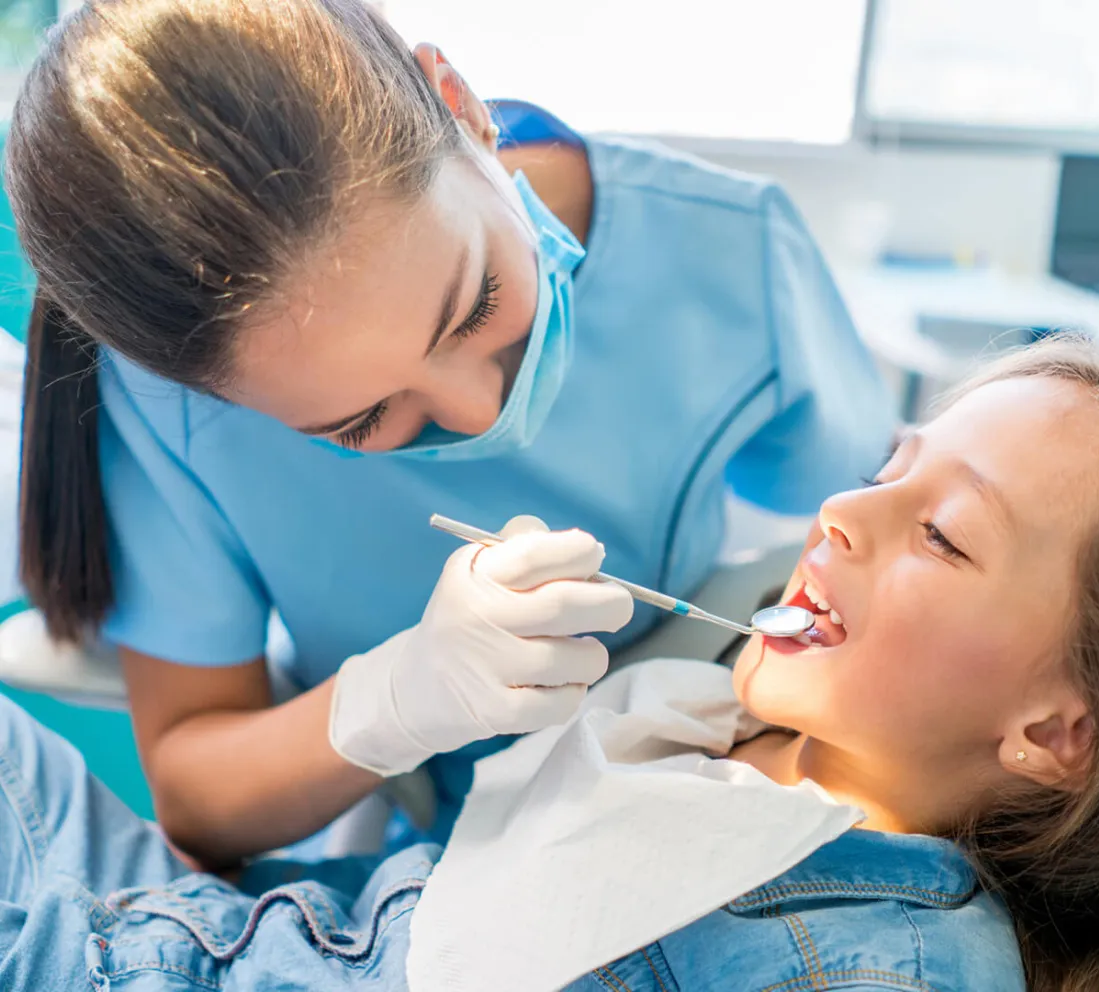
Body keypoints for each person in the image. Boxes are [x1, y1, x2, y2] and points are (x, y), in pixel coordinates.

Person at [4, 339, 1099, 992]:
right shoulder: (745, 726)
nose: (840, 510)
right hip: (202, 923)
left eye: (940, 533)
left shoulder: (880, 963)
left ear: (1061, 734)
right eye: (890, 466)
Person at [5, 0, 894, 866]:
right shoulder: (167, 410)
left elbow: (863, 556)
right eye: (359, 420)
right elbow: (198, 799)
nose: (479, 415)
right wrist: (396, 700)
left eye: (479, 306)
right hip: (437, 855)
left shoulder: (730, 248)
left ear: (459, 104)